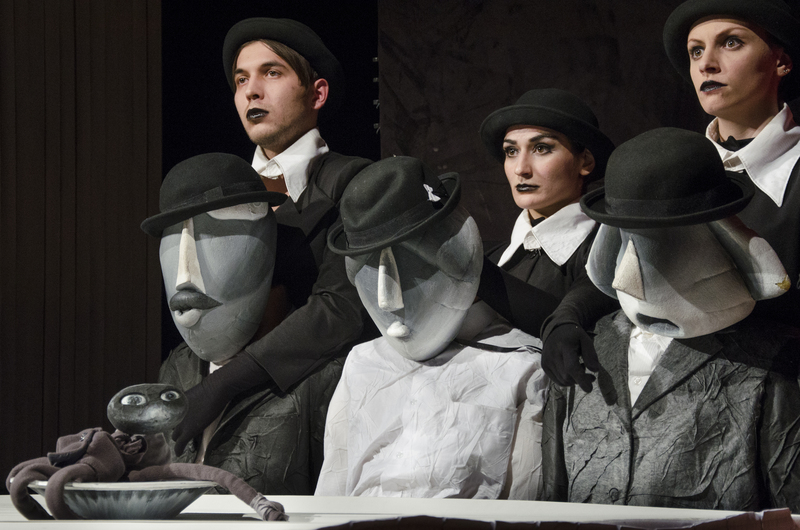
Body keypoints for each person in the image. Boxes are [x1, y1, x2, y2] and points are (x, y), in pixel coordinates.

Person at [541, 127, 800, 511]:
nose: (628, 277)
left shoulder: (773, 361)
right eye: (628, 239)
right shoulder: (583, 351)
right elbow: (550, 499)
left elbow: (790, 507)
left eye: (657, 244)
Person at [168, 18, 374, 456]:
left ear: (317, 93)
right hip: (208, 409)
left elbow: (339, 310)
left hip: (313, 413)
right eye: (241, 79)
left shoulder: (355, 183)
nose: (251, 91)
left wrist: (222, 385)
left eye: (271, 73)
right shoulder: (219, 191)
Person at [315, 157, 548, 499]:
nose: (387, 299)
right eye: (369, 268)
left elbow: (524, 510)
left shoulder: (522, 366)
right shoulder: (362, 363)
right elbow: (329, 498)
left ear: (459, 254)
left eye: (412, 265)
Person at [141, 153, 343, 495]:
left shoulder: (322, 379)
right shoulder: (177, 368)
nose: (184, 274)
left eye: (214, 236)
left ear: (267, 247)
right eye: (172, 239)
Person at [663, 0, 800, 325]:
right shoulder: (671, 174)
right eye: (696, 51)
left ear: (781, 61)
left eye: (731, 42)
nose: (706, 64)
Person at [477, 89, 619, 392]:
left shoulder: (607, 250)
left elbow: (575, 322)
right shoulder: (492, 259)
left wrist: (472, 269)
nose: (521, 168)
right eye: (511, 151)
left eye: (541, 148)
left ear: (585, 161)